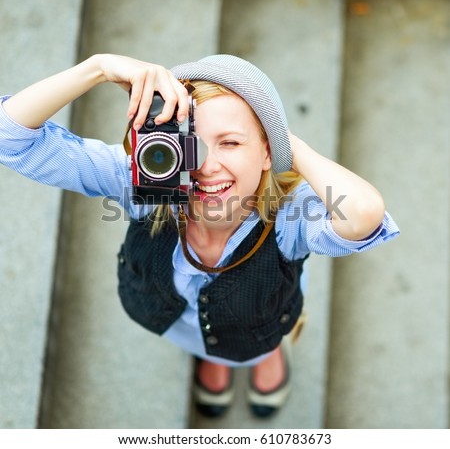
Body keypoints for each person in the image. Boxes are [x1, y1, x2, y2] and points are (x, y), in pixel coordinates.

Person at [0, 53, 399, 419]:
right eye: (191, 145)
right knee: (210, 342)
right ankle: (216, 355)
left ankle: (267, 352)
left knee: (257, 341)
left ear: (266, 153)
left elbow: (363, 213)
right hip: (177, 321)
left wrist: (280, 140)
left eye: (230, 142)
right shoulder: (148, 187)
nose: (207, 166)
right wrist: (98, 67)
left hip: (261, 316)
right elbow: (9, 136)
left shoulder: (290, 217)